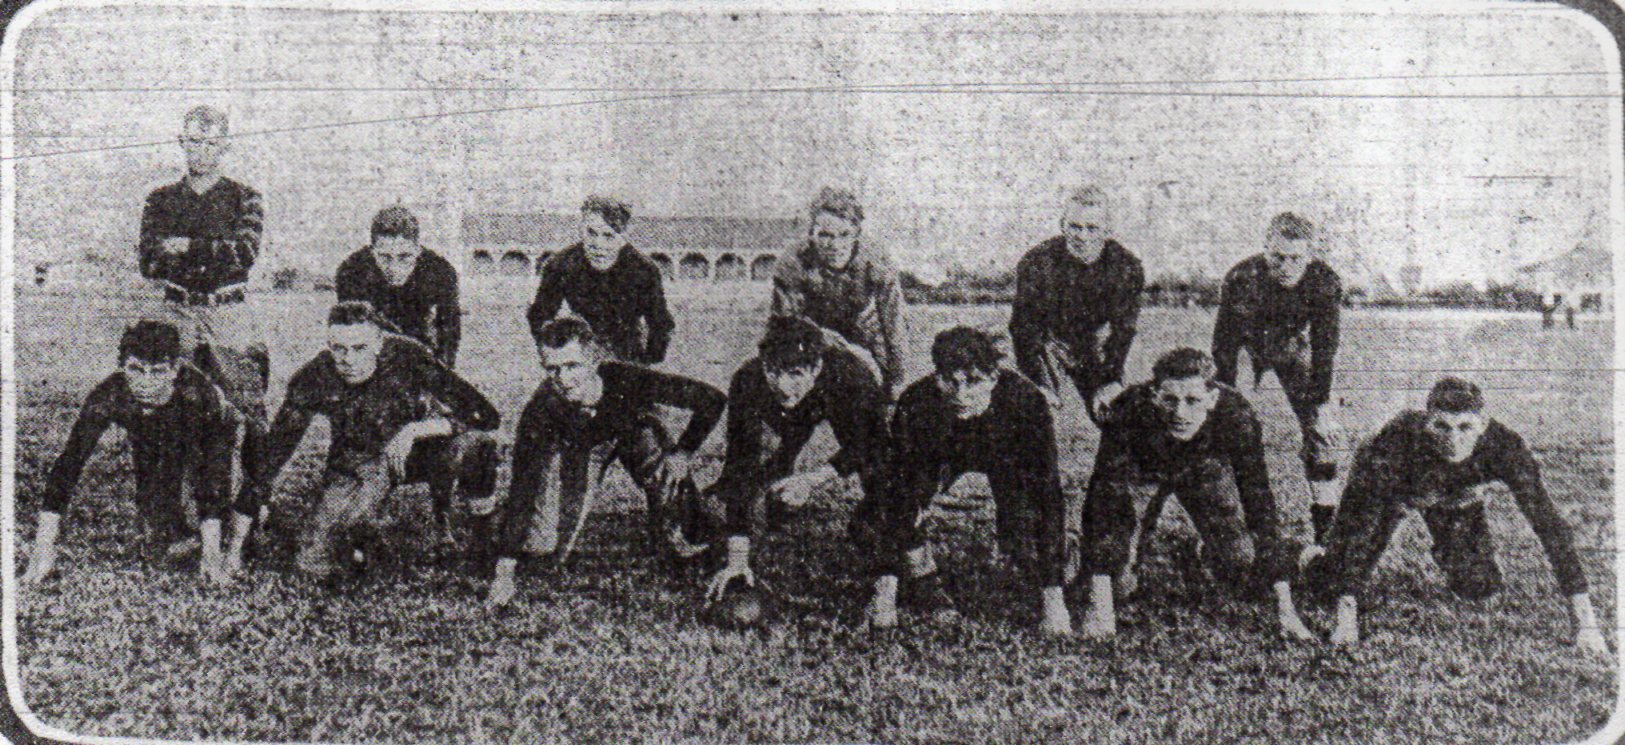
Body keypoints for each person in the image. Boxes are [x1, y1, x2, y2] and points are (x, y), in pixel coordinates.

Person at [1299, 377, 1606, 657]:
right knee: (1328, 584)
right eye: (1442, 427)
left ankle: (1458, 549)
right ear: (1427, 423)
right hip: (1395, 491)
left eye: (1464, 428)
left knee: (1478, 585)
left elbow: (1549, 525)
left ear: (1483, 424)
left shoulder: (1505, 447)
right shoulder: (1398, 438)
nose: (1453, 439)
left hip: (1454, 495)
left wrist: (1586, 623)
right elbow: (1363, 523)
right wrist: (1347, 615)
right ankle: (1310, 555)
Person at [239, 302, 500, 580]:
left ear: (379, 343)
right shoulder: (313, 378)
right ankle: (367, 541)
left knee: (478, 445)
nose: (349, 359)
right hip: (357, 463)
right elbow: (271, 457)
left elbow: (484, 414)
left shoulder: (408, 355)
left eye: (359, 348)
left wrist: (414, 431)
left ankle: (482, 543)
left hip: (418, 453)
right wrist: (234, 547)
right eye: (338, 348)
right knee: (314, 565)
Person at [486, 318, 727, 607]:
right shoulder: (540, 412)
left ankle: (680, 526)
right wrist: (504, 572)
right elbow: (523, 487)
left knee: (657, 456)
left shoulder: (626, 379)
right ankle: (496, 526)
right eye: (553, 369)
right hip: (580, 450)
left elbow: (711, 398)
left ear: (594, 361)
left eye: (573, 365)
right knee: (543, 550)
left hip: (633, 433)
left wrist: (683, 452)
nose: (563, 379)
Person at [1077, 348, 1312, 641]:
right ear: (1153, 395)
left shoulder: (1237, 415)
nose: (1180, 413)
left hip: (1203, 467)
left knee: (1243, 567)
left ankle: (1204, 550)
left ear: (1212, 399)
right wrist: (1099, 606)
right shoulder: (1127, 410)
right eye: (1170, 400)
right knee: (1117, 587)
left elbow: (1260, 506)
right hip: (1144, 468)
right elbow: (1102, 502)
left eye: (1193, 401)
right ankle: (1127, 554)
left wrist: (1287, 612)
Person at [865, 326, 1072, 636]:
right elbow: (895, 491)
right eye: (951, 381)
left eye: (973, 382)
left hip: (1004, 457)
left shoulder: (1027, 402)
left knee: (1024, 534)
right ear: (937, 377)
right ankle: (926, 582)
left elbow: (1048, 494)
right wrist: (885, 592)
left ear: (994, 377)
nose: (961, 395)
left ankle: (1066, 555)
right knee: (871, 520)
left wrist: (1055, 603)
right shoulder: (917, 403)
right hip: (943, 453)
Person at [22, 321, 252, 588]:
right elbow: (69, 464)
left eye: (157, 372)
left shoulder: (195, 395)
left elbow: (212, 472)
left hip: (216, 430)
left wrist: (212, 555)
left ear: (175, 370)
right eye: (136, 370)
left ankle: (238, 538)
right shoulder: (109, 394)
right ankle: (184, 528)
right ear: (121, 367)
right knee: (160, 544)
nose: (146, 382)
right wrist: (44, 545)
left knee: (225, 501)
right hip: (155, 433)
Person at [696, 316, 892, 608]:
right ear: (763, 363)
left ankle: (886, 541)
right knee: (745, 497)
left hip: (836, 393)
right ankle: (766, 509)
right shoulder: (749, 379)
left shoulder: (851, 378)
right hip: (795, 409)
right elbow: (740, 463)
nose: (784, 386)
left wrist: (814, 479)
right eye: (774, 371)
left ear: (816, 368)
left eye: (795, 373)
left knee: (882, 478)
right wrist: (738, 557)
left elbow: (870, 446)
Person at [1212, 211, 1345, 544]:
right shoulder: (1242, 277)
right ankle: (1226, 520)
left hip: (1290, 346)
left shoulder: (1324, 281)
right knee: (1233, 427)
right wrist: (1227, 393)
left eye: (1295, 258)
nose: (1285, 266)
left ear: (1311, 255)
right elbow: (1224, 344)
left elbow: (1324, 345)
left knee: (1322, 432)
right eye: (1277, 257)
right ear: (1264, 249)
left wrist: (1322, 401)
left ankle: (1325, 527)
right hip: (1247, 346)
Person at [1009, 185, 1144, 422]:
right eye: (1075, 227)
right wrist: (1038, 381)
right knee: (1034, 409)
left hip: (1093, 342)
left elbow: (1123, 329)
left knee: (1114, 412)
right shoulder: (1036, 262)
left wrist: (1111, 378)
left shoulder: (1126, 266)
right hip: (1047, 339)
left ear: (1107, 230)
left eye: (1092, 228)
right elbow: (1023, 326)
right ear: (1062, 225)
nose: (1082, 236)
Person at [770, 187, 908, 397]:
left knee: (880, 388)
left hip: (860, 326)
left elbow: (894, 325)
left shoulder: (877, 261)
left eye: (844, 235)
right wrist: (821, 337)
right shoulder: (793, 261)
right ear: (812, 234)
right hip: (810, 326)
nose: (835, 245)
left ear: (857, 234)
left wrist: (897, 380)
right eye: (825, 235)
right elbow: (783, 322)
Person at [527, 196, 675, 365]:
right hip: (580, 351)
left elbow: (661, 323)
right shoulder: (561, 264)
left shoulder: (644, 270)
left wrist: (648, 361)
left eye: (608, 236)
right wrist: (550, 353)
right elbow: (539, 314)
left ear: (623, 236)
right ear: (582, 227)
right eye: (591, 233)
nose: (598, 244)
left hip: (628, 352)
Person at [335, 205, 462, 368]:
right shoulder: (352, 271)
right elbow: (350, 333)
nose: (394, 268)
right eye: (385, 257)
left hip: (420, 340)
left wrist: (440, 372)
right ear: (372, 251)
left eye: (404, 257)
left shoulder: (440, 271)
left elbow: (449, 332)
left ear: (417, 250)